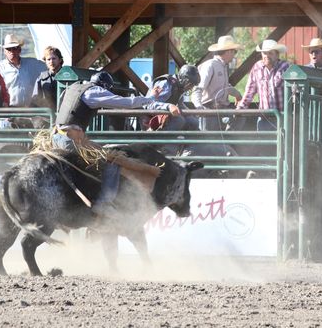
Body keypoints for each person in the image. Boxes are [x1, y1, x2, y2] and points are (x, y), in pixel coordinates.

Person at [53, 71, 180, 217]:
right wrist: (150, 98)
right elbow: (128, 103)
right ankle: (103, 203)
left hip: (56, 138)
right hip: (70, 142)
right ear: (105, 86)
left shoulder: (73, 88)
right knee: (112, 162)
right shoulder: (95, 92)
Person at [236, 39, 291, 131]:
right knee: (263, 144)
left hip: (282, 117)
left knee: (283, 143)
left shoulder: (285, 67)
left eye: (270, 53)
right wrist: (240, 109)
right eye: (264, 53)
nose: (267, 56)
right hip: (264, 118)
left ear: (277, 54)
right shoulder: (257, 67)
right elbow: (250, 91)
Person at [146, 64, 201, 155]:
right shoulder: (166, 83)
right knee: (179, 120)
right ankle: (162, 148)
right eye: (190, 84)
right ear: (184, 79)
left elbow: (180, 105)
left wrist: (193, 113)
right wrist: (168, 106)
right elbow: (149, 104)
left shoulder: (179, 87)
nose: (190, 87)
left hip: (166, 116)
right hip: (150, 117)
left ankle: (188, 151)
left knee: (193, 121)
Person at [192, 35, 243, 131]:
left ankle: (228, 142)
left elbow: (225, 87)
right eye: (234, 51)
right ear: (228, 51)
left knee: (240, 116)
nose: (234, 54)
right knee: (208, 141)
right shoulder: (210, 65)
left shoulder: (223, 66)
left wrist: (238, 95)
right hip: (209, 109)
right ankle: (227, 141)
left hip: (221, 109)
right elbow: (198, 88)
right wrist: (199, 107)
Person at [0, 34, 46, 107]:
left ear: (19, 50)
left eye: (14, 48)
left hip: (30, 111)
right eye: (8, 49)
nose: (11, 51)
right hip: (9, 111)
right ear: (5, 51)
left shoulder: (33, 64)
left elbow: (50, 65)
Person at [31, 46, 64, 111]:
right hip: (47, 116)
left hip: (65, 115)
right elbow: (35, 99)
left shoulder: (68, 76)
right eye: (48, 59)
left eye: (54, 58)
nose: (51, 61)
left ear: (60, 60)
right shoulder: (41, 78)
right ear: (45, 61)